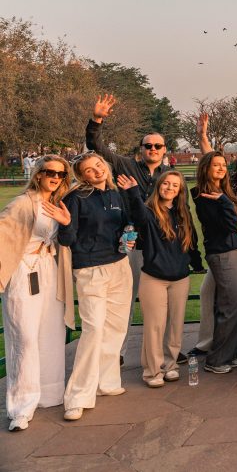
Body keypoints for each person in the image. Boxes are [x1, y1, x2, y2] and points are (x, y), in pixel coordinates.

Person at [86, 94, 176, 362]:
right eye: (148, 145)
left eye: (157, 145)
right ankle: (118, 351)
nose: (153, 149)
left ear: (164, 149)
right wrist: (97, 120)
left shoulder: (168, 177)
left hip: (160, 243)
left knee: (162, 303)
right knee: (124, 300)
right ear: (141, 148)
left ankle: (163, 351)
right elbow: (96, 146)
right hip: (131, 240)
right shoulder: (126, 166)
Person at [0, 155, 74, 431]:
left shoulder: (57, 203)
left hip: (48, 270)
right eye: (50, 172)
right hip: (23, 271)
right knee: (25, 338)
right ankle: (21, 406)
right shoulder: (23, 202)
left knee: (50, 334)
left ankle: (50, 393)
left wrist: (66, 224)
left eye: (61, 174)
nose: (56, 177)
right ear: (39, 174)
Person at [58, 153, 133, 421]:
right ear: (81, 176)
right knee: (94, 329)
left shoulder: (116, 193)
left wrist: (129, 233)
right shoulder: (76, 198)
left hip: (120, 265)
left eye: (98, 165)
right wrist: (66, 223)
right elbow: (66, 239)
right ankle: (77, 397)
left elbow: (128, 222)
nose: (96, 171)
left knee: (116, 328)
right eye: (88, 170)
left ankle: (107, 382)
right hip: (90, 269)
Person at [122, 171, 196, 387]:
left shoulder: (183, 214)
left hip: (180, 277)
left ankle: (170, 365)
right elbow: (138, 217)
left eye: (175, 185)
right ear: (159, 186)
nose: (169, 188)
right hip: (154, 277)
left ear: (180, 190)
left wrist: (196, 263)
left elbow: (190, 244)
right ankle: (152, 371)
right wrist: (133, 193)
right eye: (166, 183)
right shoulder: (149, 211)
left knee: (175, 326)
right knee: (155, 326)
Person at [190, 149, 237, 361]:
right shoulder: (204, 193)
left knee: (232, 305)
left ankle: (232, 349)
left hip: (234, 250)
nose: (222, 168)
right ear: (206, 168)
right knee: (231, 307)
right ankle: (218, 358)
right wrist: (223, 202)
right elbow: (229, 225)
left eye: (223, 165)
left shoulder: (224, 190)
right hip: (222, 252)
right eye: (216, 165)